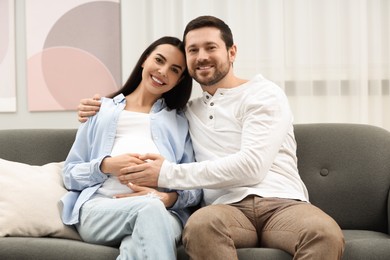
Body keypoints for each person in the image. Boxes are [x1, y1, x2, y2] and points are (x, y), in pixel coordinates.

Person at [77, 16, 345, 260]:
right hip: (225, 209)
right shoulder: (187, 113)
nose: (201, 56)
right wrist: (100, 106)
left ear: (232, 52)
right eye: (193, 50)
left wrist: (165, 174)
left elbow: (252, 166)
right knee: (200, 227)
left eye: (210, 47)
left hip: (282, 204)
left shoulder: (263, 94)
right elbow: (142, 112)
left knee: (324, 233)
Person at [61, 36, 202, 260]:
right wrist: (107, 165)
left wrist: (167, 199)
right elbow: (69, 175)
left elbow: (195, 185)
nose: (163, 71)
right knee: (148, 210)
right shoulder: (100, 110)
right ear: (145, 60)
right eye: (159, 60)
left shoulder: (180, 121)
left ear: (179, 79)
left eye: (174, 69)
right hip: (101, 209)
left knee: (137, 241)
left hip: (164, 213)